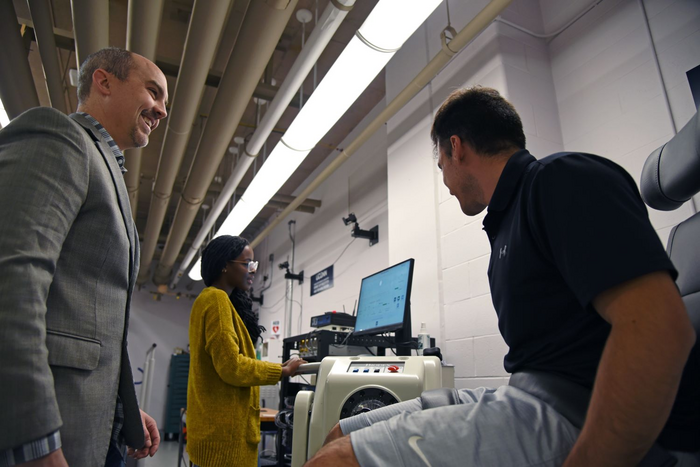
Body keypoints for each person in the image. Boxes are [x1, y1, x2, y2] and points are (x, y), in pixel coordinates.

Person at [306, 87, 699, 466]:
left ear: (456, 148)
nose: (445, 182)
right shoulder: (508, 220)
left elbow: (660, 328)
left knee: (338, 461)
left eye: (441, 166)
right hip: (529, 393)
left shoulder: (561, 179)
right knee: (341, 433)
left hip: (574, 409)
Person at [0, 47, 168, 466]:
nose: (162, 111)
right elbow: (12, 280)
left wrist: (122, 408)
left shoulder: (105, 168)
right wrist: (34, 441)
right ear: (104, 81)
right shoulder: (59, 136)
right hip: (50, 437)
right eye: (153, 92)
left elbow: (97, 324)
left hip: (94, 428)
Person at [187, 235, 306, 467]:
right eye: (247, 264)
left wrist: (278, 367)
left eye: (254, 264)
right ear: (225, 265)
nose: (253, 270)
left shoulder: (209, 300)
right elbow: (232, 367)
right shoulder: (216, 300)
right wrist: (281, 372)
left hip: (215, 435)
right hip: (225, 442)